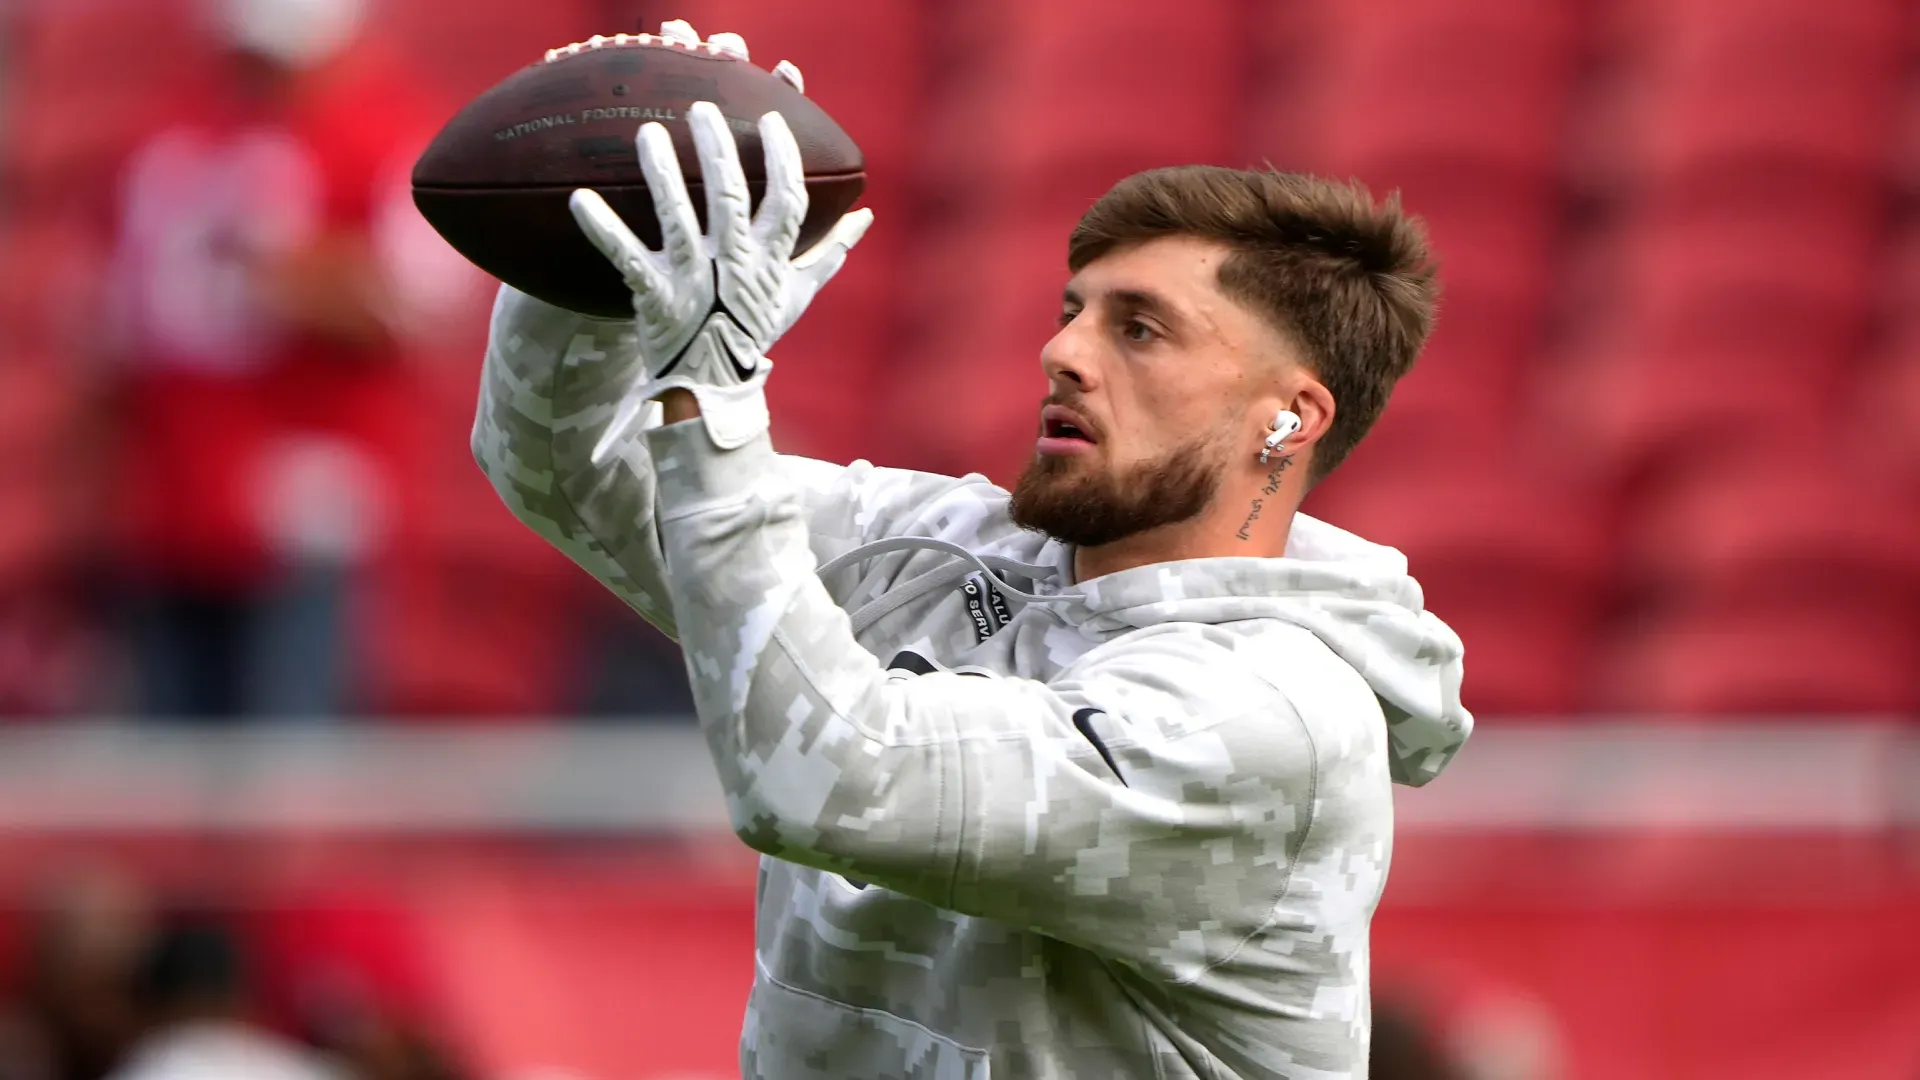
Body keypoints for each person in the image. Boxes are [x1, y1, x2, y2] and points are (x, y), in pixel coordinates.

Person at [472, 20, 1471, 1079]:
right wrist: (595, 237)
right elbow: (565, 466)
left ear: (1289, 420)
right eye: (1071, 311)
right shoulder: (948, 550)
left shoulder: (1277, 722)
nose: (1063, 352)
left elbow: (833, 781)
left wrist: (715, 396)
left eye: (1139, 329)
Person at [107, 0, 453, 718]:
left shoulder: (382, 135)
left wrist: (285, 276)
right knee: (174, 770)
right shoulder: (182, 135)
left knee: (291, 768)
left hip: (312, 501)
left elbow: (406, 306)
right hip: (181, 494)